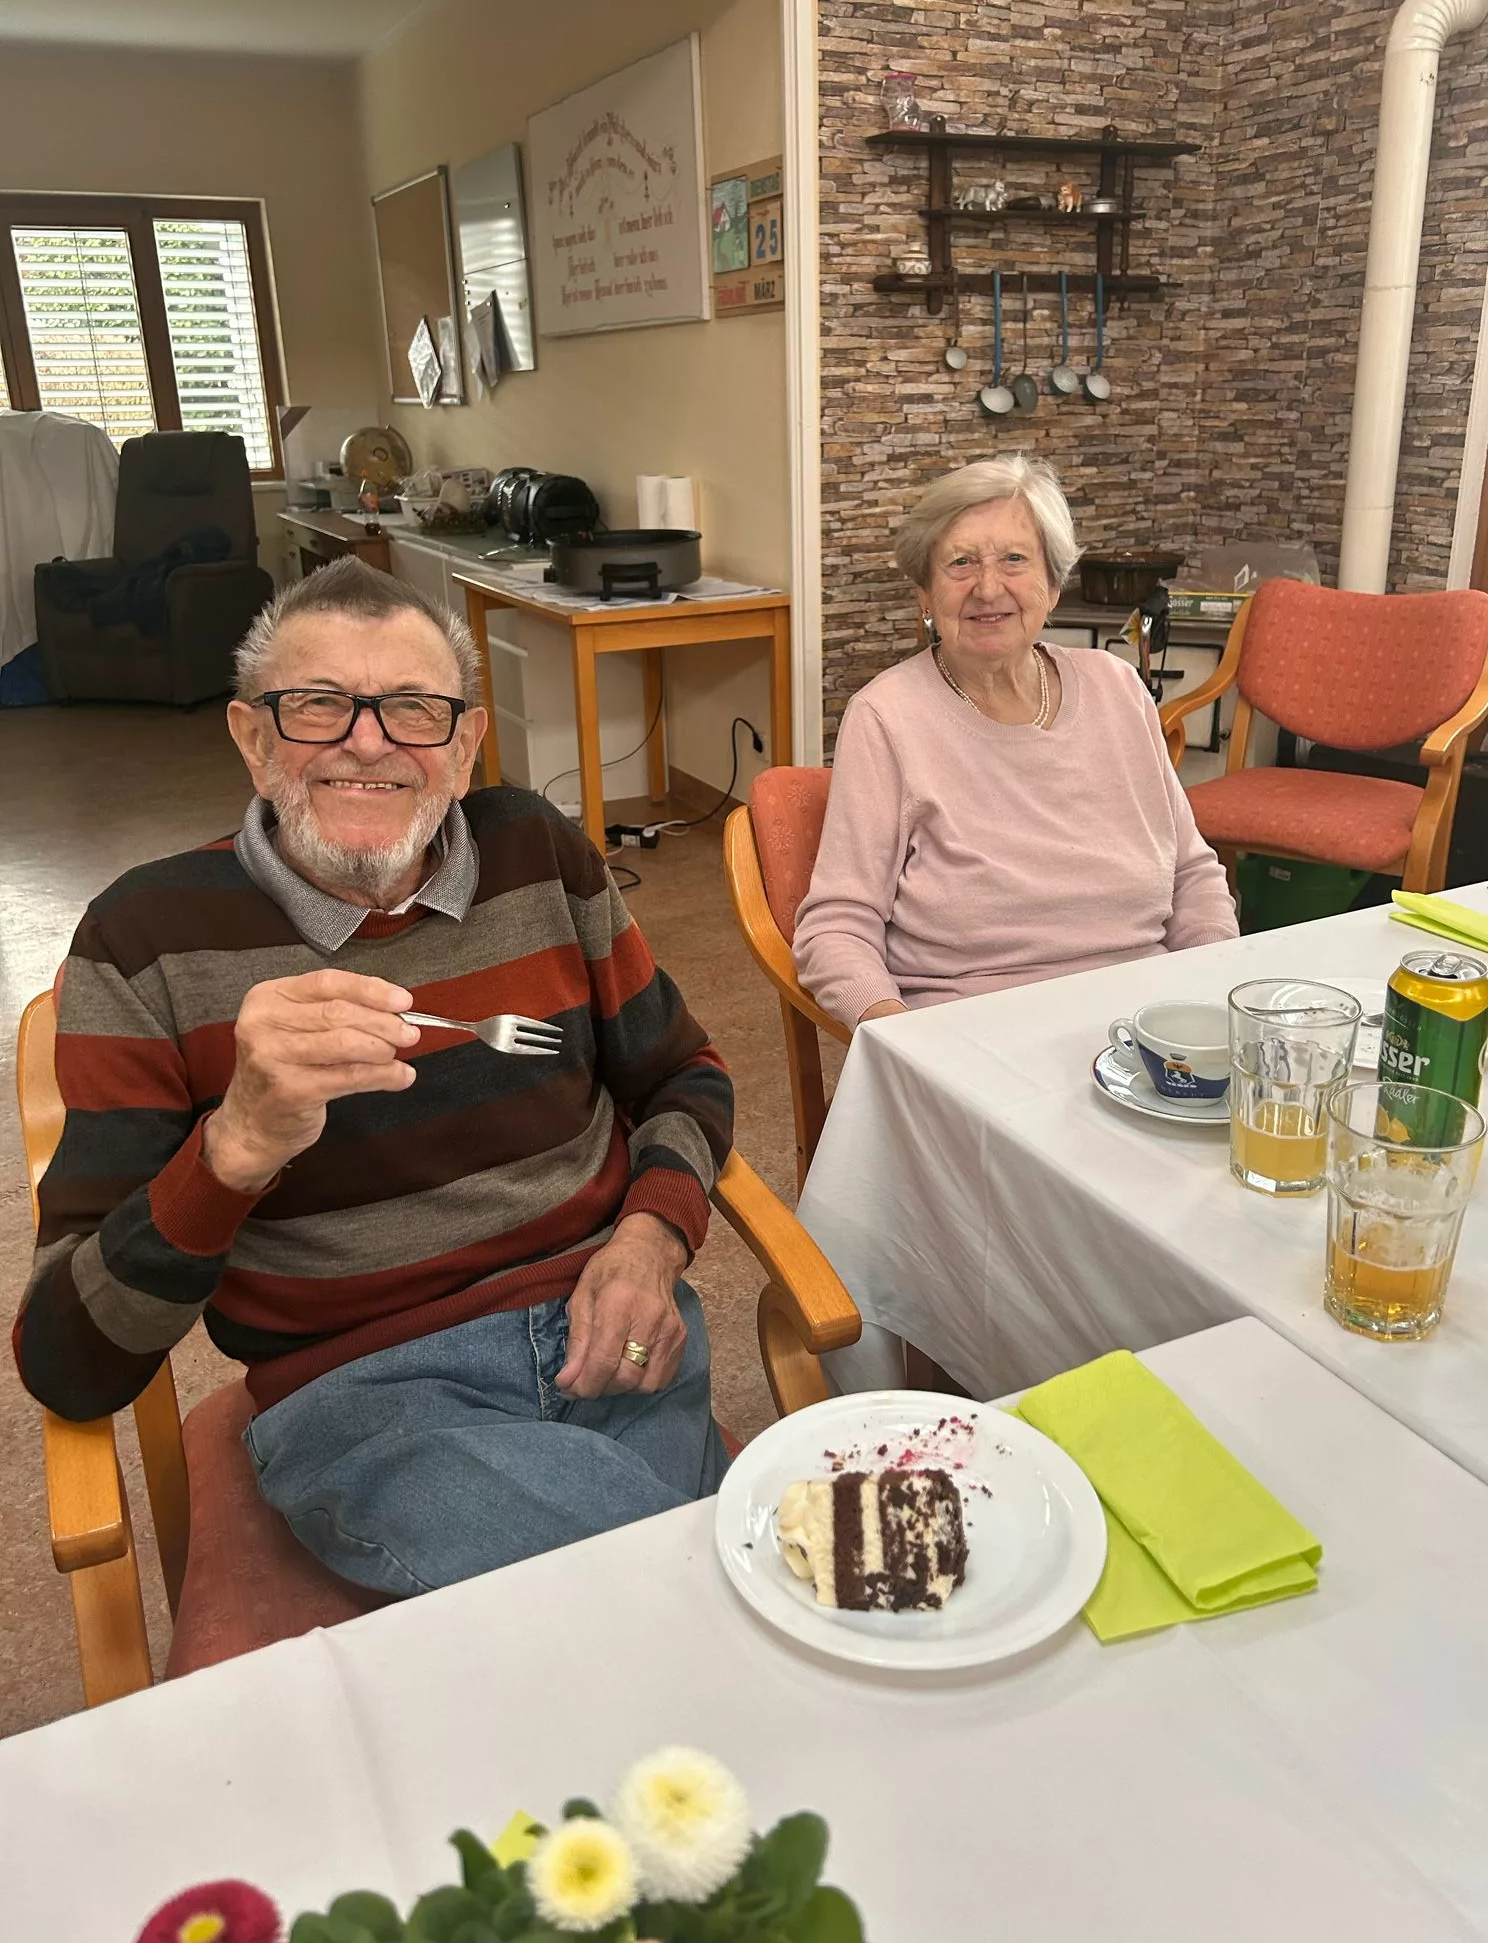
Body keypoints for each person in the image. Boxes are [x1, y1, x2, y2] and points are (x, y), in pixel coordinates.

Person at [15, 557, 734, 1597]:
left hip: (610, 1322)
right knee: (691, 1583)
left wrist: (649, 1242)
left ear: (465, 746)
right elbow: (70, 1360)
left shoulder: (538, 852)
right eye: (317, 705)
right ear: (252, 738)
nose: (368, 740)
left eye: (413, 708)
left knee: (642, 1610)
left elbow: (685, 1075)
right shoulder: (144, 940)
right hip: (366, 1396)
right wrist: (236, 1147)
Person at [794, 455, 1237, 1030]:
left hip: (1148, 1026)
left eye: (1014, 559)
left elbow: (1192, 874)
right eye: (960, 563)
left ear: (1052, 585)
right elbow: (837, 926)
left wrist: (1207, 987)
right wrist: (897, 1036)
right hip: (977, 1030)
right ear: (924, 594)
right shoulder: (886, 717)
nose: (988, 587)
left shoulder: (1118, 688)